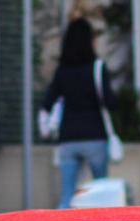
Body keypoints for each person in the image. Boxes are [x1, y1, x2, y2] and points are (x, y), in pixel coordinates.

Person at [42, 18, 117, 208]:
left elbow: (47, 102)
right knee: (101, 192)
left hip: (68, 138)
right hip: (94, 135)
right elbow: (110, 102)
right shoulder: (97, 68)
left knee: (67, 195)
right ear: (88, 40)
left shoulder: (62, 71)